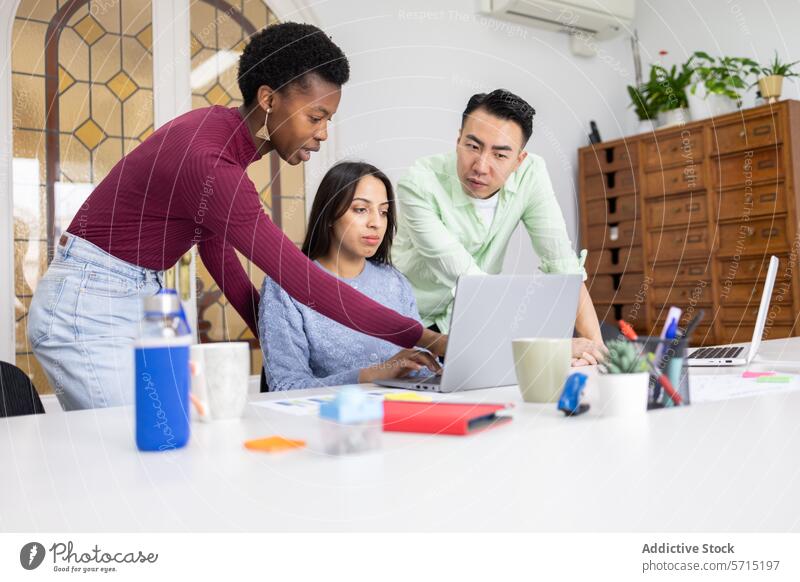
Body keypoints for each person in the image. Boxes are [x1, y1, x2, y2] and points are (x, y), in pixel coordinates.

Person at [27, 23, 446, 411]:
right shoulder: (213, 163)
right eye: (315, 117)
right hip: (91, 303)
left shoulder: (220, 133)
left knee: (161, 444)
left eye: (328, 120)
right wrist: (426, 337)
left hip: (124, 294)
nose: (322, 133)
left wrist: (271, 331)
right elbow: (300, 278)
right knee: (137, 453)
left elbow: (216, 252)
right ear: (268, 99)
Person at [391, 89, 603, 366]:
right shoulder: (418, 183)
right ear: (458, 140)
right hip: (407, 326)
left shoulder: (532, 174)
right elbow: (470, 281)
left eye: (500, 155)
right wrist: (553, 347)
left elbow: (562, 262)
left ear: (519, 160)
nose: (481, 166)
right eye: (473, 146)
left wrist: (595, 350)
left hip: (470, 324)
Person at [259, 162, 440, 391]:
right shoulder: (285, 288)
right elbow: (286, 386)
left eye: (383, 212)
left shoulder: (396, 283)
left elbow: (419, 366)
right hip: (325, 421)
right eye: (361, 209)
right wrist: (372, 374)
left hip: (399, 413)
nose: (376, 223)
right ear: (330, 215)